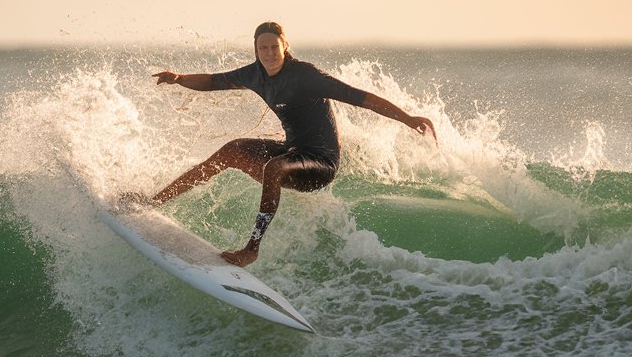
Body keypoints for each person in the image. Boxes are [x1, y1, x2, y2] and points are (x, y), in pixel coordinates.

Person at [149, 21, 437, 267]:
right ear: (256, 50)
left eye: (275, 47)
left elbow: (361, 98)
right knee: (232, 150)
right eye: (263, 48)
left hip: (320, 164)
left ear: (284, 46)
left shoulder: (306, 76)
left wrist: (408, 119)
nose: (269, 53)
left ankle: (252, 249)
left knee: (274, 168)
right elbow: (213, 81)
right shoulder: (254, 75)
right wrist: (179, 79)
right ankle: (155, 200)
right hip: (293, 150)